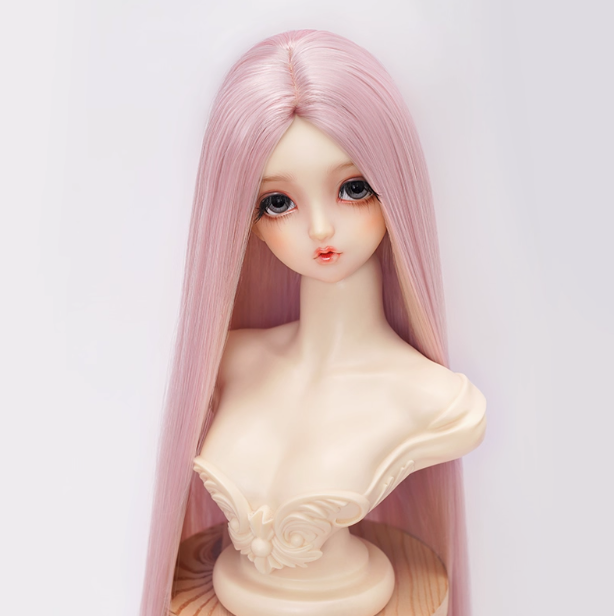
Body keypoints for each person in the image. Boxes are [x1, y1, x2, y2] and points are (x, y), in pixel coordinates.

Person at [141, 30, 486, 616]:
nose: (321, 229)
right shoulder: (228, 361)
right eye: (278, 202)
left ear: (394, 191)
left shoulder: (435, 399)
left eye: (353, 188)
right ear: (244, 219)